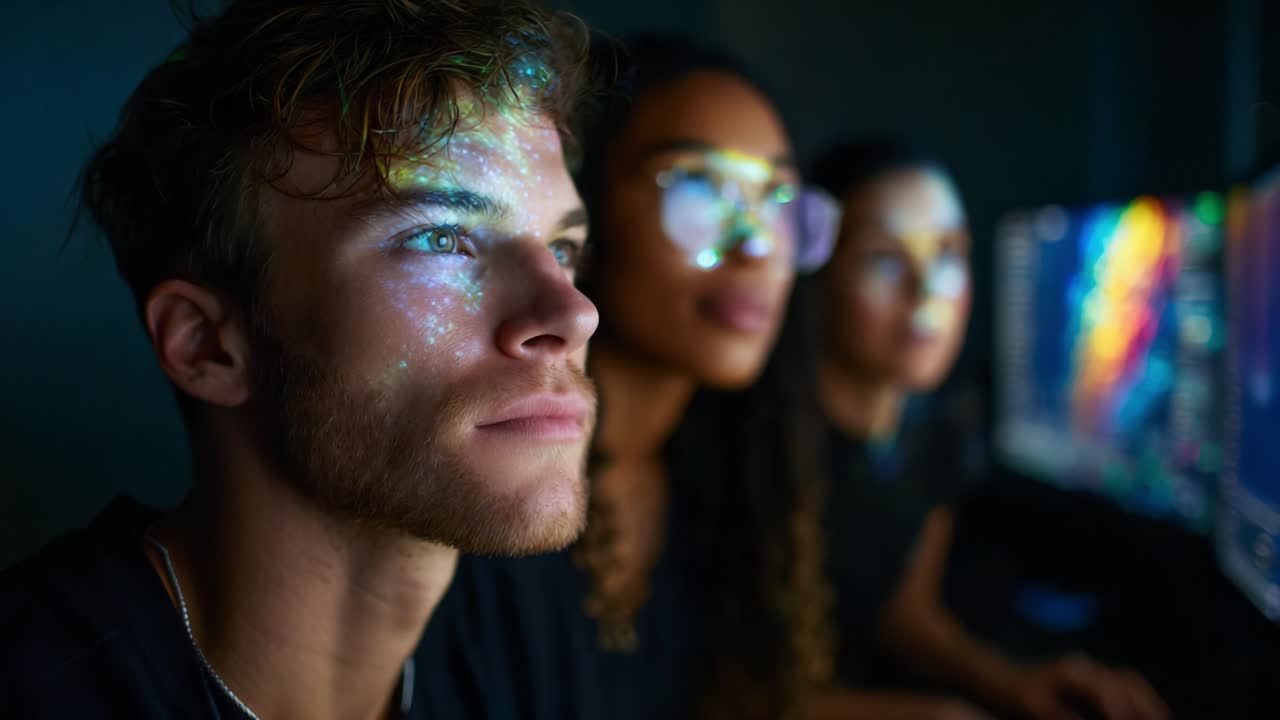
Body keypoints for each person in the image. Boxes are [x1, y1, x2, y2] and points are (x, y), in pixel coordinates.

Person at [0, 1, 598, 718]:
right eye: (441, 240)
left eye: (562, 249)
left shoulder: (526, 636)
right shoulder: (37, 686)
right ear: (209, 346)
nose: (574, 314)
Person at [414, 34, 842, 720]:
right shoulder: (481, 477)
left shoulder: (724, 473)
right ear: (581, 213)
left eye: (778, 199)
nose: (757, 246)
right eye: (700, 188)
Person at [807, 137, 1171, 720]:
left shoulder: (935, 433)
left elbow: (905, 615)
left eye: (949, 253)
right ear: (814, 274)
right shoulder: (761, 452)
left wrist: (1012, 683)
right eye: (884, 257)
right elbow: (719, 693)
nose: (927, 292)